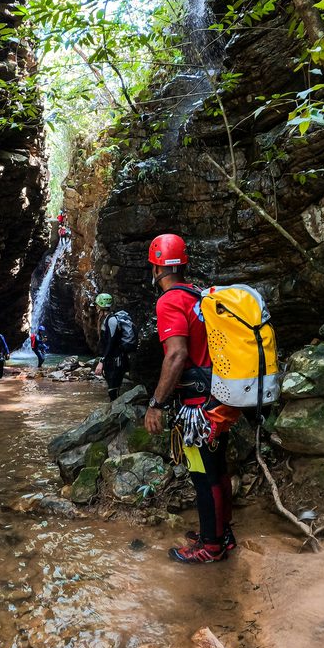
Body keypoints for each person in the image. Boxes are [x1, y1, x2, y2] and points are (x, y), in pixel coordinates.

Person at [144, 234, 240, 564]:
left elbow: (176, 355)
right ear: (182, 264)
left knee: (203, 474)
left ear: (156, 267)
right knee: (217, 469)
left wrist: (156, 403)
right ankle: (221, 534)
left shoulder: (169, 301)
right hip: (221, 397)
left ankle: (210, 546)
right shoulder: (198, 296)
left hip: (199, 407)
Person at [94, 293, 129, 401]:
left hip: (116, 360)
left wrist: (101, 361)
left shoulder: (111, 320)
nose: (96, 307)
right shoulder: (108, 319)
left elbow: (111, 342)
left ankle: (116, 414)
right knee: (113, 390)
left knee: (113, 390)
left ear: (100, 305)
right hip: (114, 360)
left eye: (97, 305)